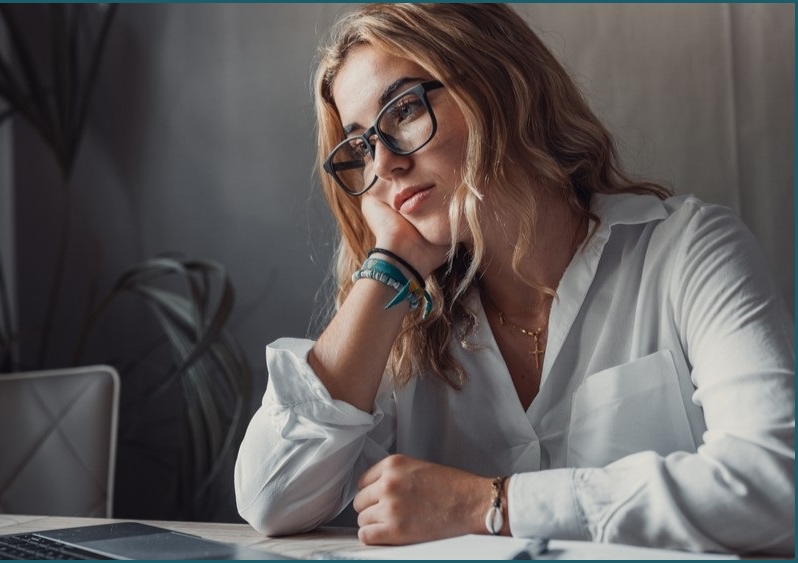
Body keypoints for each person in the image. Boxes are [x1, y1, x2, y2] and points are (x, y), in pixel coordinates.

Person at [234, 3, 794, 556]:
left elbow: (776, 488)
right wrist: (391, 266)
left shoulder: (689, 250)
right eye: (360, 147)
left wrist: (487, 506)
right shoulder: (404, 323)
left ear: (499, 83)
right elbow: (270, 498)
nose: (383, 166)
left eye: (403, 111)